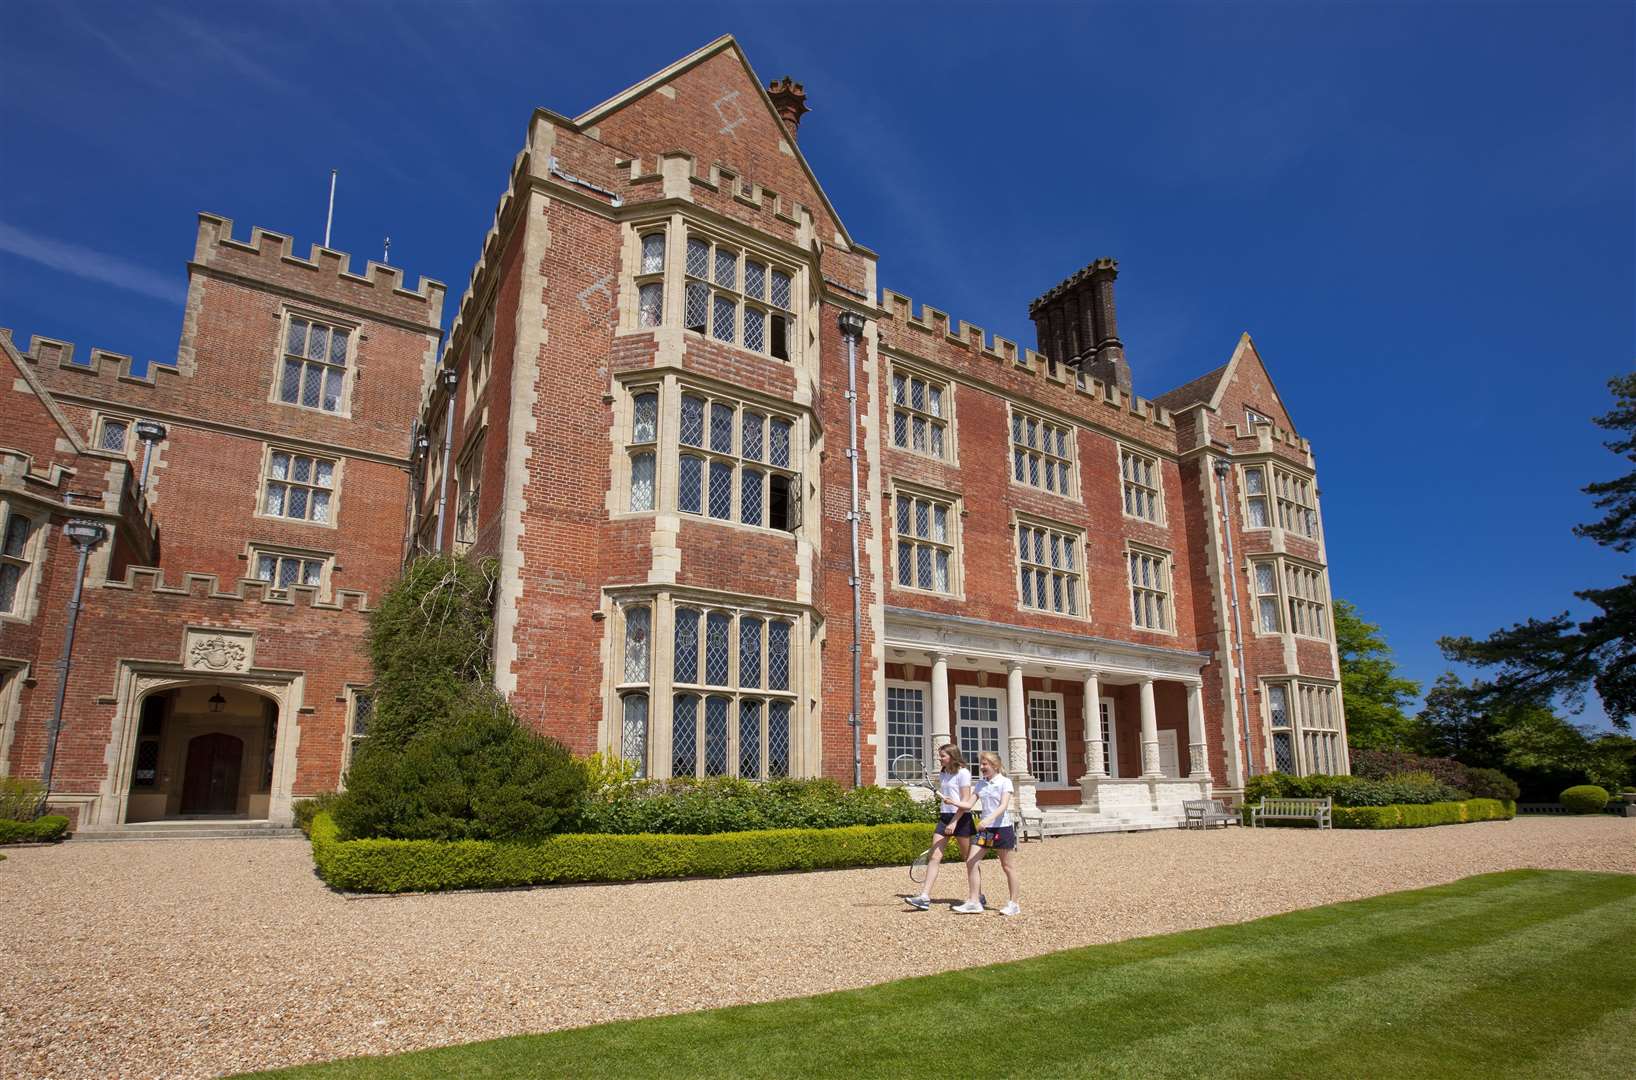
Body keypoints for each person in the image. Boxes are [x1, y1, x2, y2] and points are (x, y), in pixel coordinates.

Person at [905, 743, 979, 911]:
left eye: (943, 756)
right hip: (944, 817)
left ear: (952, 756)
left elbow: (966, 802)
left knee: (969, 859)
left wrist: (954, 821)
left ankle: (977, 895)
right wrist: (947, 815)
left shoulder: (964, 773)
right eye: (940, 756)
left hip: (961, 818)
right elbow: (948, 796)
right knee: (934, 856)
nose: (940, 758)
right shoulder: (943, 773)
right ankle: (924, 897)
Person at [965, 751, 1021, 915]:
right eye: (981, 764)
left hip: (1001, 828)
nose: (981, 767)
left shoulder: (1005, 782)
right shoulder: (981, 784)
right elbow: (968, 804)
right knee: (971, 861)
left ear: (994, 766)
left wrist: (988, 820)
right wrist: (952, 801)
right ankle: (974, 901)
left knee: (1007, 866)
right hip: (986, 831)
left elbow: (1003, 806)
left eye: (985, 764)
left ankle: (1014, 904)